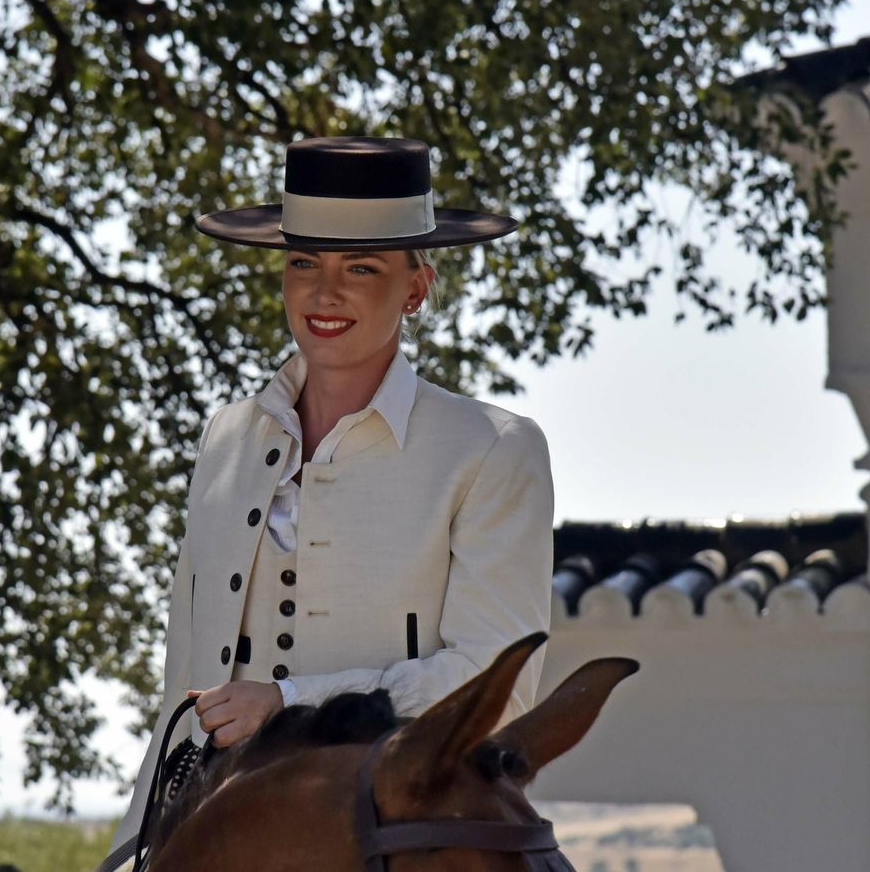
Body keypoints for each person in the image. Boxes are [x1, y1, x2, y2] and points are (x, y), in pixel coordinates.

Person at [106, 135, 555, 863]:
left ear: (416, 288)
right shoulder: (225, 438)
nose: (325, 291)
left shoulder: (493, 448)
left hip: (387, 837)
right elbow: (183, 683)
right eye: (304, 262)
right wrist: (142, 849)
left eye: (362, 268)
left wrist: (288, 700)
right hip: (220, 831)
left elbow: (492, 681)